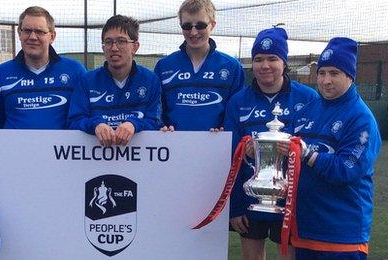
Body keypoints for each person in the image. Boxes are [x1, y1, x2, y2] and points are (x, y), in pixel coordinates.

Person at [224, 27, 318, 260]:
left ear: (284, 62)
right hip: (251, 198)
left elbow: (313, 150)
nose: (265, 65)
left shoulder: (308, 98)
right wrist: (235, 207)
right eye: (258, 59)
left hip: (292, 201)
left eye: (272, 58)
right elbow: (229, 158)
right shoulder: (238, 101)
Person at [288, 37, 381, 259]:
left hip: (341, 235)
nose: (326, 80)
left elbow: (346, 169)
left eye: (334, 73)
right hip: (305, 230)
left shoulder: (361, 118)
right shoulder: (307, 111)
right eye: (321, 73)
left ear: (350, 76)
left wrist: (309, 155)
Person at [0, 6, 87, 129]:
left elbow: (83, 116)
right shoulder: (0, 74)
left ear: (52, 36)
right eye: (27, 30)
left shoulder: (75, 71)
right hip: (16, 148)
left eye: (40, 32)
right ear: (19, 33)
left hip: (61, 148)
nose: (33, 37)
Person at [68, 15, 161, 146]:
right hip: (95, 162)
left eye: (121, 41)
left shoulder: (150, 80)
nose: (114, 48)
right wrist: (96, 125)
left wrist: (133, 124)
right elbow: (74, 121)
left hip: (138, 163)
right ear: (103, 47)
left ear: (135, 46)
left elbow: (156, 121)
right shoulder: (87, 80)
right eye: (108, 41)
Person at [155, 0, 244, 131]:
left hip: (216, 146)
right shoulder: (164, 66)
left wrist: (224, 130)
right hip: (173, 146)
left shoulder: (232, 66)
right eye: (187, 26)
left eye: (200, 25)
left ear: (212, 25)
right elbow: (156, 109)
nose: (193, 32)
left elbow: (237, 111)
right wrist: (162, 127)